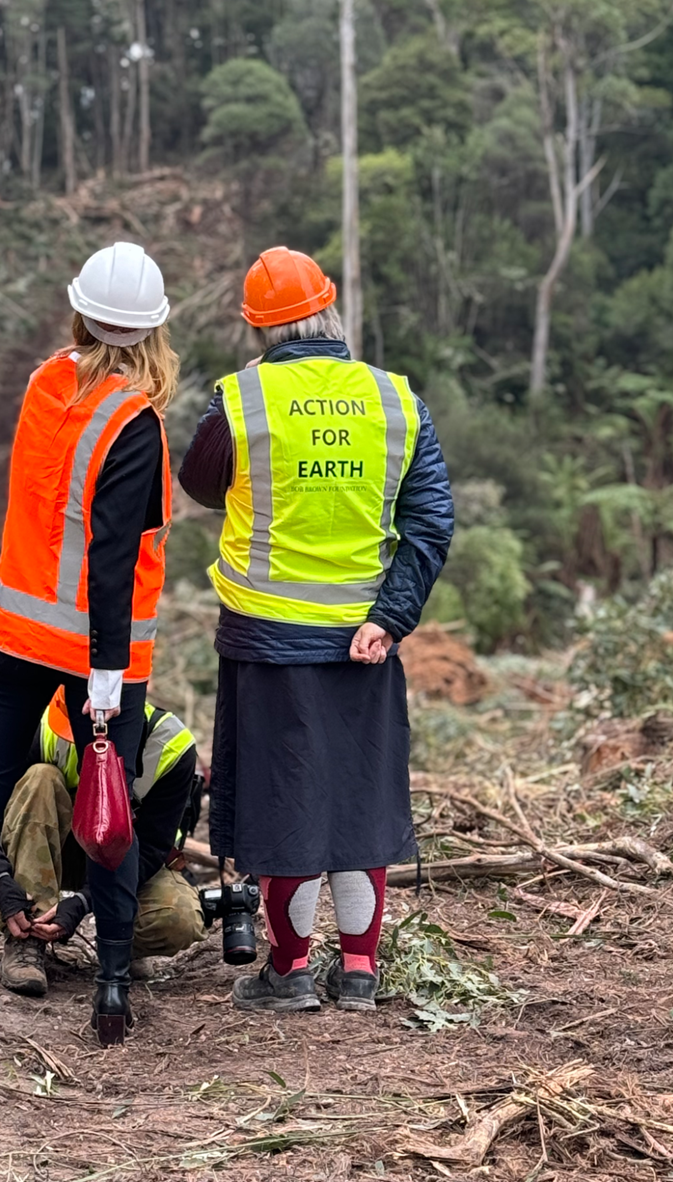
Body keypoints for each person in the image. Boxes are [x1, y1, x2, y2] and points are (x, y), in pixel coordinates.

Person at [0, 242, 179, 1045]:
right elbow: (114, 557)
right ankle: (114, 991)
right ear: (154, 329)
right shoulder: (136, 421)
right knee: (112, 809)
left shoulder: (44, 382)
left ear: (82, 313)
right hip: (95, 652)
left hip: (12, 632)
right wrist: (105, 673)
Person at [179, 247, 453, 1014]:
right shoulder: (397, 401)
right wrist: (390, 616)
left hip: (268, 640)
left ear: (257, 326)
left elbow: (199, 483)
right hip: (365, 644)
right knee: (359, 798)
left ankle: (290, 971)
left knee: (282, 799)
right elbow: (431, 520)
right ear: (333, 310)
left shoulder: (241, 401)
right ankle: (360, 972)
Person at [0, 686, 206, 997]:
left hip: (128, 858)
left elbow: (152, 848)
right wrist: (0, 879)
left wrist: (84, 902)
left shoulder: (171, 747)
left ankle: (121, 941)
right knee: (40, 779)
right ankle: (27, 938)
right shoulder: (38, 726)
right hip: (52, 846)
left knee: (178, 919)